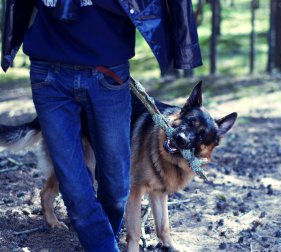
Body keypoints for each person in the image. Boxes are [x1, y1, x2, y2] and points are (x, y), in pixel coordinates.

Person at [1, 0, 202, 251]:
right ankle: (104, 244)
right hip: (48, 74)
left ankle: (102, 235)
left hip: (109, 75)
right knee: (75, 189)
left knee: (118, 186)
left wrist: (185, 47)